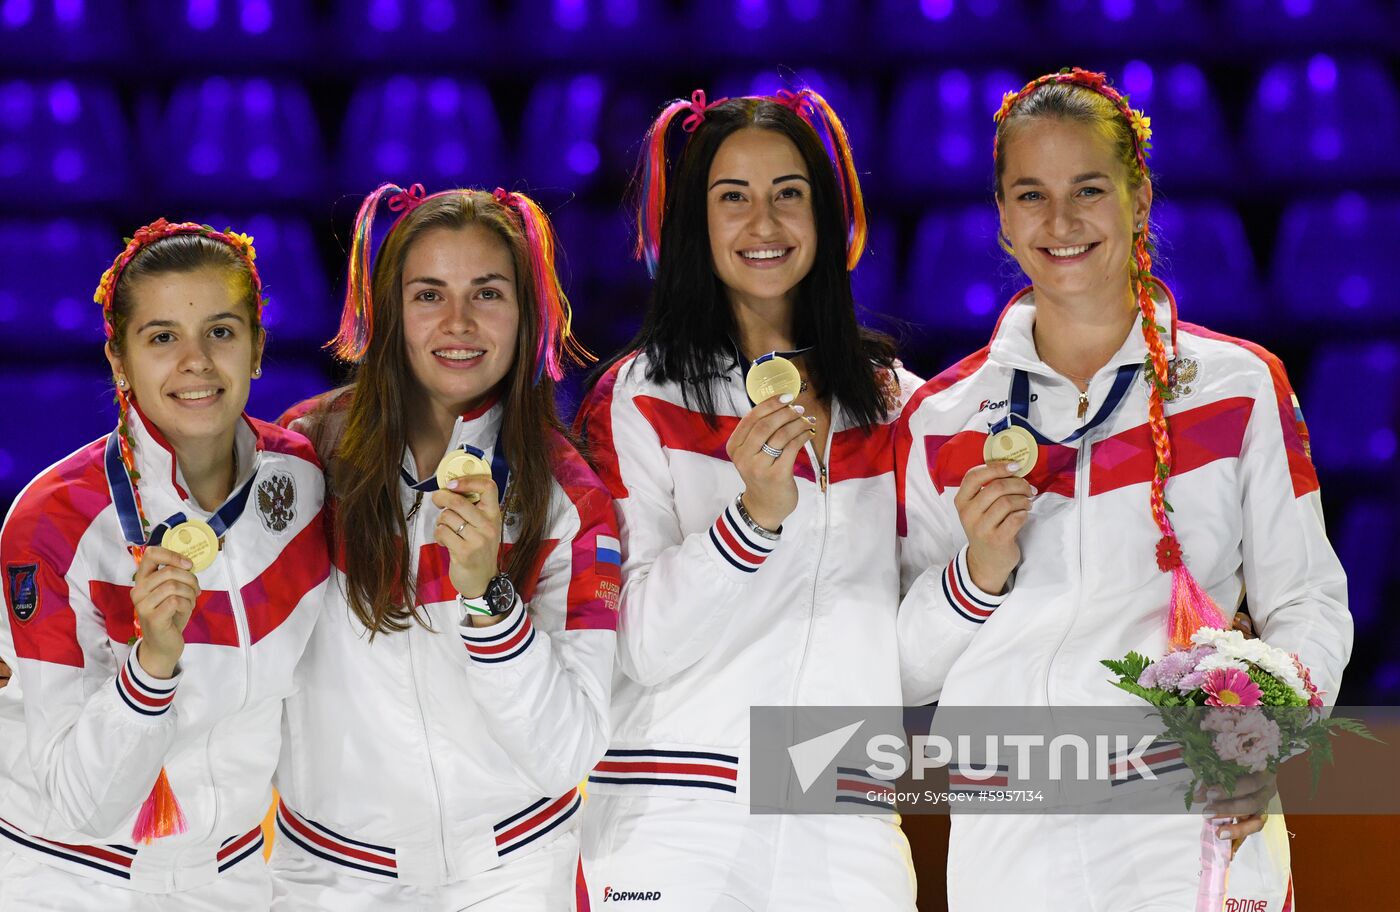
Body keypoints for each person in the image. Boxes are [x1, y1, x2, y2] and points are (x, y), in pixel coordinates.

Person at [895, 68, 1353, 910]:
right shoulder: (941, 417)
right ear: (1000, 216)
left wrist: (1268, 733)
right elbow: (903, 668)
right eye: (1030, 194)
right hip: (1011, 837)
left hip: (1187, 822)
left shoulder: (1237, 384)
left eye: (1089, 190)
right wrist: (976, 574)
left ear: (1139, 198)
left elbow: (1311, 602)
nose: (1060, 222)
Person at [575, 88, 921, 910]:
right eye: (732, 198)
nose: (763, 223)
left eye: (788, 194)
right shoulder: (638, 396)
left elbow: (919, 643)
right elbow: (638, 645)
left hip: (847, 815)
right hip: (673, 812)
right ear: (694, 226)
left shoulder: (900, 403)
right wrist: (751, 518)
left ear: (828, 215)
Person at [270, 184, 617, 911]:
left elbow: (567, 751)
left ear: (529, 315)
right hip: (328, 881)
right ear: (388, 313)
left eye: (487, 293)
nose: (458, 323)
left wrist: (491, 599)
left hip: (515, 875)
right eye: (429, 295)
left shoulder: (568, 494)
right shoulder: (300, 460)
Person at [0, 220, 329, 910]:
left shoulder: (302, 484)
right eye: (161, 339)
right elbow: (76, 802)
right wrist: (151, 665)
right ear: (118, 359)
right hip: (68, 877)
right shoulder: (52, 525)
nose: (196, 363)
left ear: (258, 347)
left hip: (233, 876)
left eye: (220, 331)